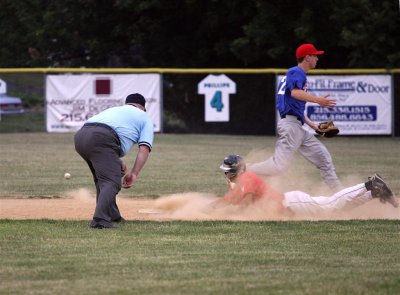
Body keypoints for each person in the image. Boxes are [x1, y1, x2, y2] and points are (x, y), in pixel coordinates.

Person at [248, 43, 341, 190]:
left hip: (297, 126)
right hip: (290, 126)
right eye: (315, 55)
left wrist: (314, 126)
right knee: (279, 167)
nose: (317, 58)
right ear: (307, 57)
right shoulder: (296, 71)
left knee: (324, 159)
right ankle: (244, 170)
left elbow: (295, 108)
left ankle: (341, 195)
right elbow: (295, 93)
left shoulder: (294, 75)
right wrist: (319, 100)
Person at [213, 154, 398, 217]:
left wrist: (227, 211)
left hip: (292, 203)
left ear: (237, 170)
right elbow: (229, 201)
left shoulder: (247, 178)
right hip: (292, 204)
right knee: (335, 211)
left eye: (228, 171)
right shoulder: (242, 184)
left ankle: (370, 185)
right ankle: (372, 194)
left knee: (330, 205)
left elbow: (246, 202)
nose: (226, 174)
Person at [74, 93, 154, 229]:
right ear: (143, 108)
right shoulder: (144, 117)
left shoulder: (114, 110)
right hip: (102, 138)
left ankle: (112, 215)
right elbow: (144, 149)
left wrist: (115, 159)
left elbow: (103, 130)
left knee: (103, 180)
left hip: (81, 136)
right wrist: (134, 174)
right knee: (111, 182)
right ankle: (100, 220)